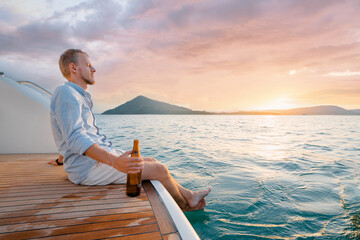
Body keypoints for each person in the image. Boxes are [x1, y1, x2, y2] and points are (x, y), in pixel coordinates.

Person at [50, 49, 210, 211]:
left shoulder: (77, 96)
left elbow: (66, 132)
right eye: (89, 65)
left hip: (92, 162)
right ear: (74, 68)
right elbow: (75, 136)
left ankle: (189, 195)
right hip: (87, 169)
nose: (94, 70)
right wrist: (115, 162)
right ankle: (185, 207)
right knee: (160, 170)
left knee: (153, 161)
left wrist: (61, 159)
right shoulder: (66, 92)